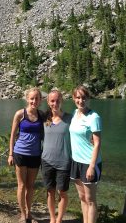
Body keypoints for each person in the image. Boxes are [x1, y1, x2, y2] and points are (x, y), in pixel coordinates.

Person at [8, 87, 44, 223]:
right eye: (32, 98)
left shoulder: (42, 115)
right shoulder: (20, 114)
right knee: (21, 185)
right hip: (20, 153)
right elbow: (12, 135)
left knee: (31, 186)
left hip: (35, 155)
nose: (34, 101)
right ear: (27, 99)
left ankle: (29, 213)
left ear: (41, 100)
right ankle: (23, 215)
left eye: (37, 98)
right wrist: (11, 154)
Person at [69, 85, 102, 223]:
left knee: (90, 200)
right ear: (73, 98)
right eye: (77, 97)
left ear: (88, 98)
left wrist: (91, 166)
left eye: (83, 97)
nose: (80, 100)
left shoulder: (94, 117)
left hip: (89, 163)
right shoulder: (74, 113)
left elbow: (97, 143)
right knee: (82, 197)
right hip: (76, 161)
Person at [41, 89, 72, 223]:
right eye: (52, 101)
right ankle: (52, 219)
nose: (55, 103)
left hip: (64, 161)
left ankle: (59, 219)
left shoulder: (69, 118)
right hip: (46, 160)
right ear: (48, 102)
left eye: (57, 100)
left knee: (62, 192)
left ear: (62, 101)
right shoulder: (44, 118)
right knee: (50, 191)